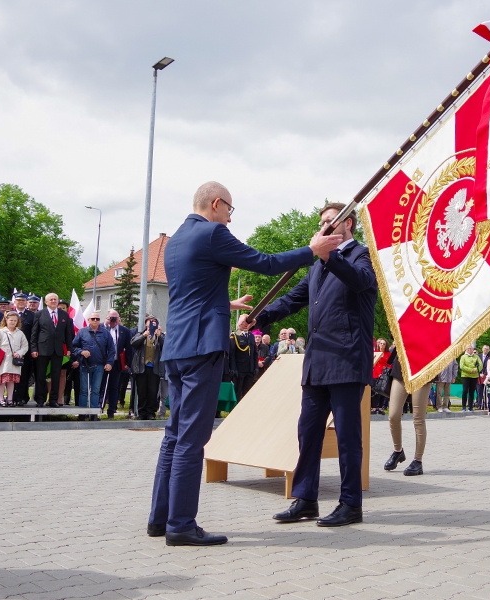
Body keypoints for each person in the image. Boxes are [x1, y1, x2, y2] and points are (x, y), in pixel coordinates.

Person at [147, 181, 331, 546]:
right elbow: (265, 263)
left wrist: (223, 304)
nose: (230, 220)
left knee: (173, 434)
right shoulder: (213, 233)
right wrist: (311, 250)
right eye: (229, 211)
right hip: (202, 348)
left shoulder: (178, 238)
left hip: (177, 347)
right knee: (192, 438)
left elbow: (189, 291)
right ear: (216, 204)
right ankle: (182, 525)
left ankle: (161, 518)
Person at [242, 202, 377, 528]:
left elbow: (360, 282)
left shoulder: (362, 256)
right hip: (317, 362)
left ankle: (350, 504)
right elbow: (292, 299)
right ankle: (306, 499)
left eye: (331, 222)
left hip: (346, 360)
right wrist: (259, 318)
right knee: (308, 431)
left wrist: (331, 256)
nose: (326, 227)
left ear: (349, 226)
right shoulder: (318, 266)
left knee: (347, 436)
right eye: (322, 223)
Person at [382, 356, 428, 476]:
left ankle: (418, 461)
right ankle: (398, 451)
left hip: (423, 367)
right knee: (393, 415)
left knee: (418, 419)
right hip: (402, 366)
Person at [30, 293, 73, 407]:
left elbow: (68, 333)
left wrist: (69, 348)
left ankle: (53, 399)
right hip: (42, 349)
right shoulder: (39, 314)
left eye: (55, 299)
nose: (53, 301)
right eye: (51, 299)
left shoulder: (64, 315)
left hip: (58, 350)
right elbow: (34, 333)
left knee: (56, 375)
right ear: (46, 302)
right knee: (40, 375)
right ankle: (40, 399)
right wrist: (33, 348)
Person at [71, 312, 114, 421]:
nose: (95, 321)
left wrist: (109, 363)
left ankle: (93, 413)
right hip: (85, 365)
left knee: (96, 390)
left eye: (97, 319)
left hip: (99, 366)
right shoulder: (82, 332)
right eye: (93, 319)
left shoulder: (105, 333)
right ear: (89, 320)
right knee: (84, 390)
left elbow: (112, 350)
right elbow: (73, 347)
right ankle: (82, 413)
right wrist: (81, 352)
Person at [0, 311, 28, 406]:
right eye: (11, 320)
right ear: (6, 320)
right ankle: (1, 399)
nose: (13, 322)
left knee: (11, 380)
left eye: (15, 320)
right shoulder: (1, 332)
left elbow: (25, 346)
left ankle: (10, 399)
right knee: (2, 380)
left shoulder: (20, 333)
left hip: (14, 361)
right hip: (3, 360)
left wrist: (19, 353)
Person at [130, 315, 164, 420]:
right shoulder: (141, 334)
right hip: (141, 367)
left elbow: (167, 346)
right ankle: (141, 412)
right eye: (150, 321)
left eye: (154, 321)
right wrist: (143, 336)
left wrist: (160, 336)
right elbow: (133, 343)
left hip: (155, 368)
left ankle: (150, 413)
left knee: (153, 392)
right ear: (146, 323)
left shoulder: (160, 335)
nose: (152, 323)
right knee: (142, 391)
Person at [101, 310, 132, 419]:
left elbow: (129, 347)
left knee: (114, 387)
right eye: (111, 317)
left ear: (119, 318)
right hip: (103, 362)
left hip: (117, 363)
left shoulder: (124, 331)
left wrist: (128, 363)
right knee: (102, 386)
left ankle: (111, 411)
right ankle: (100, 408)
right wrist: (106, 323)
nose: (113, 320)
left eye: (115, 317)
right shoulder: (103, 328)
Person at [13, 293, 37, 405]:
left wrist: (32, 349)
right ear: (15, 302)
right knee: (12, 374)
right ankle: (12, 397)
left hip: (26, 350)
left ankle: (22, 397)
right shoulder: (9, 314)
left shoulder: (31, 316)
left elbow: (34, 334)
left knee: (24, 375)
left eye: (23, 300)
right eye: (18, 300)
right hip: (11, 350)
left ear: (26, 302)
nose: (21, 302)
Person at [228, 329, 257, 401]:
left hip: (250, 369)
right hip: (239, 369)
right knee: (237, 392)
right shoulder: (235, 334)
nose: (246, 325)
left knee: (248, 392)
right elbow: (232, 353)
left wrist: (255, 366)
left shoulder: (251, 335)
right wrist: (233, 368)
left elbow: (254, 353)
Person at [458, 344, 482, 412]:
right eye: (468, 348)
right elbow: (462, 366)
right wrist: (470, 370)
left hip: (474, 376)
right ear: (466, 349)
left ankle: (470, 407)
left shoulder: (476, 357)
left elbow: (480, 365)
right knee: (465, 391)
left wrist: (475, 370)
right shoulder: (463, 357)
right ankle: (463, 406)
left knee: (472, 391)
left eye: (471, 348)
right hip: (465, 376)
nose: (470, 350)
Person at [371, 339, 391, 415]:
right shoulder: (375, 353)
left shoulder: (388, 354)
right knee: (374, 391)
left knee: (382, 391)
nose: (382, 345)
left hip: (384, 374)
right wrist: (378, 373)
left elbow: (389, 364)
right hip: (375, 373)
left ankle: (380, 407)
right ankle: (373, 407)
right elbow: (373, 364)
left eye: (384, 344)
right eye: (381, 343)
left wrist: (383, 373)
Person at [476, 344, 490, 410]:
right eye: (484, 349)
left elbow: (489, 367)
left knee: (486, 392)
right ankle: (479, 405)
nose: (485, 350)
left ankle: (486, 405)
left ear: (489, 350)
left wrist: (484, 374)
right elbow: (476, 365)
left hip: (486, 376)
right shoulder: (478, 356)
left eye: (487, 349)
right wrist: (479, 373)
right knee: (479, 391)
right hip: (479, 376)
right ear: (482, 349)